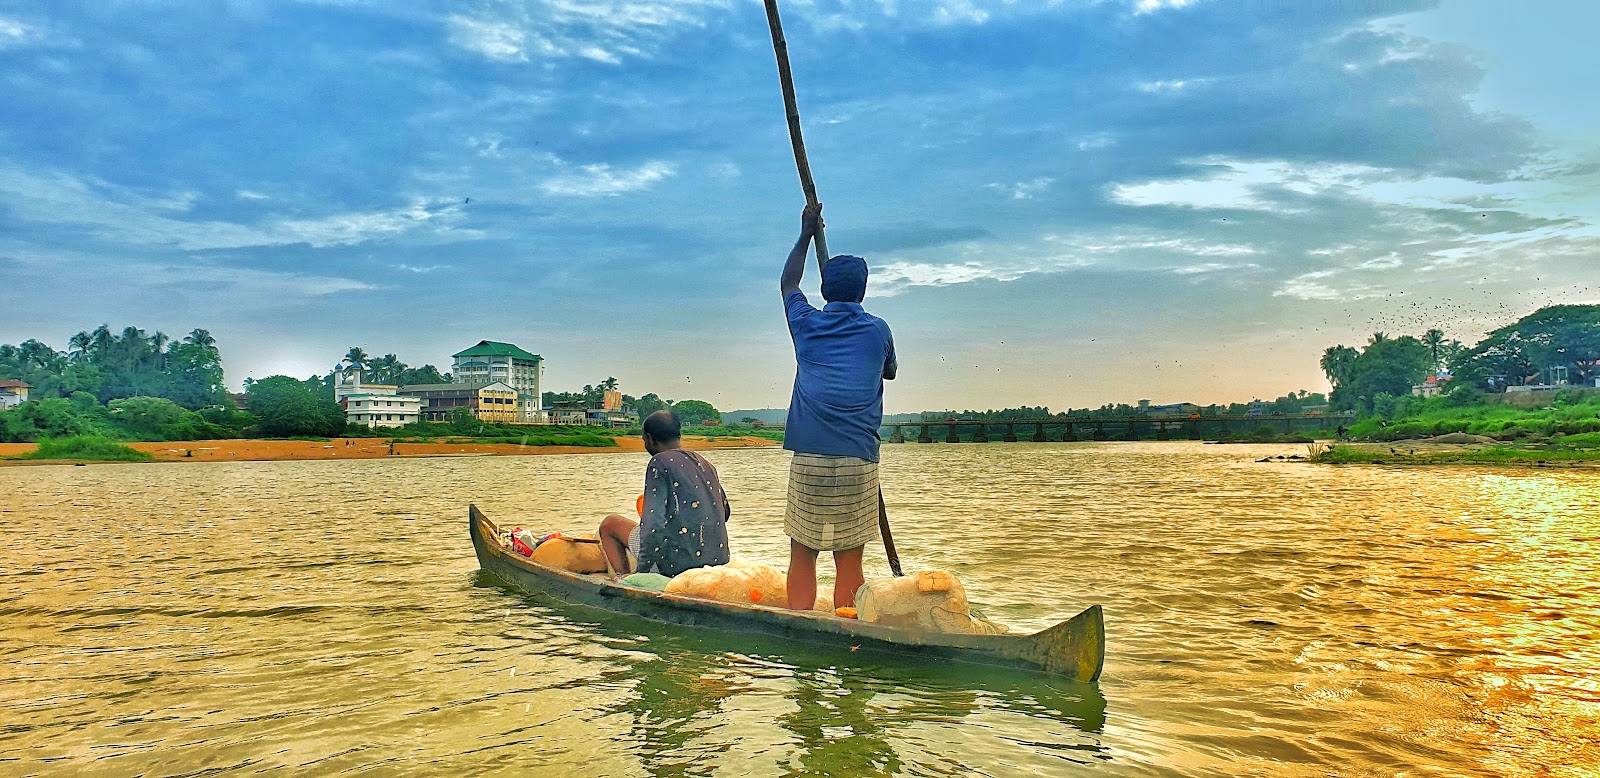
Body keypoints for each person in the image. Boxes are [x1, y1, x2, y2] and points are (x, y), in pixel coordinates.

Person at [779, 202, 897, 611]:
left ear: (825, 292)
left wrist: (805, 234)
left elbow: (788, 284)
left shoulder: (806, 323)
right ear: (862, 292)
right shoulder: (878, 329)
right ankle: (847, 630)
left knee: (802, 554)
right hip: (858, 458)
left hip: (810, 456)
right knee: (849, 559)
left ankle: (800, 628)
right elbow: (891, 372)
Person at [598, 410, 732, 578]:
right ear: (679, 435)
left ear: (649, 438)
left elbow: (653, 525)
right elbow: (724, 513)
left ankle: (622, 578)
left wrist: (642, 573)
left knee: (609, 524)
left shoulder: (659, 462)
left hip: (676, 565)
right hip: (717, 562)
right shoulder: (705, 463)